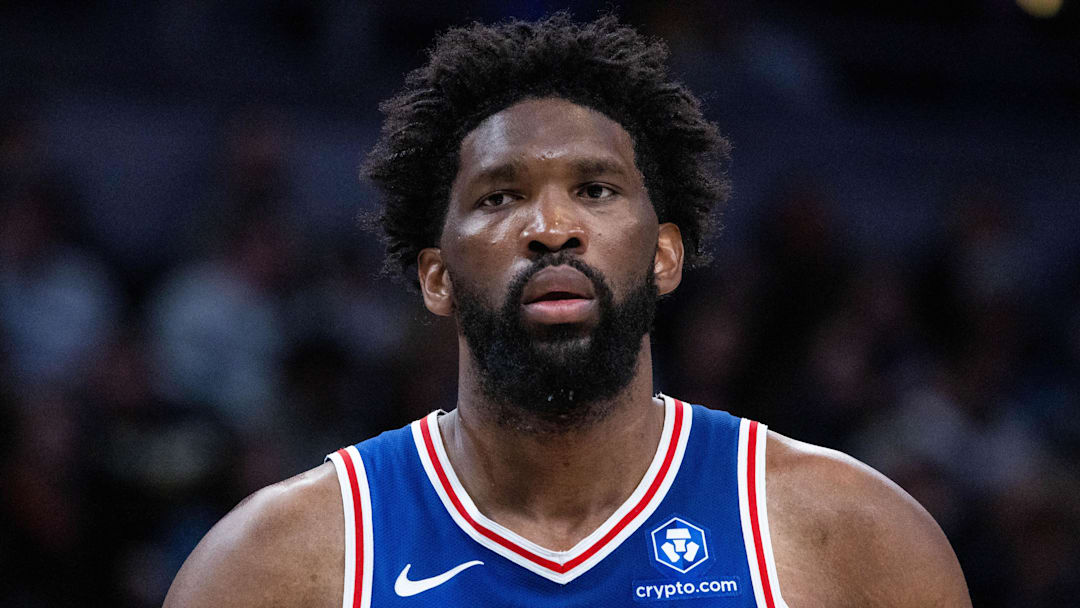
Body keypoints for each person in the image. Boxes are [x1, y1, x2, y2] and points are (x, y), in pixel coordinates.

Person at [164, 14, 971, 607]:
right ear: (436, 278)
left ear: (664, 256)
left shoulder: (852, 539)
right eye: (500, 195)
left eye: (595, 189)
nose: (551, 228)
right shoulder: (278, 565)